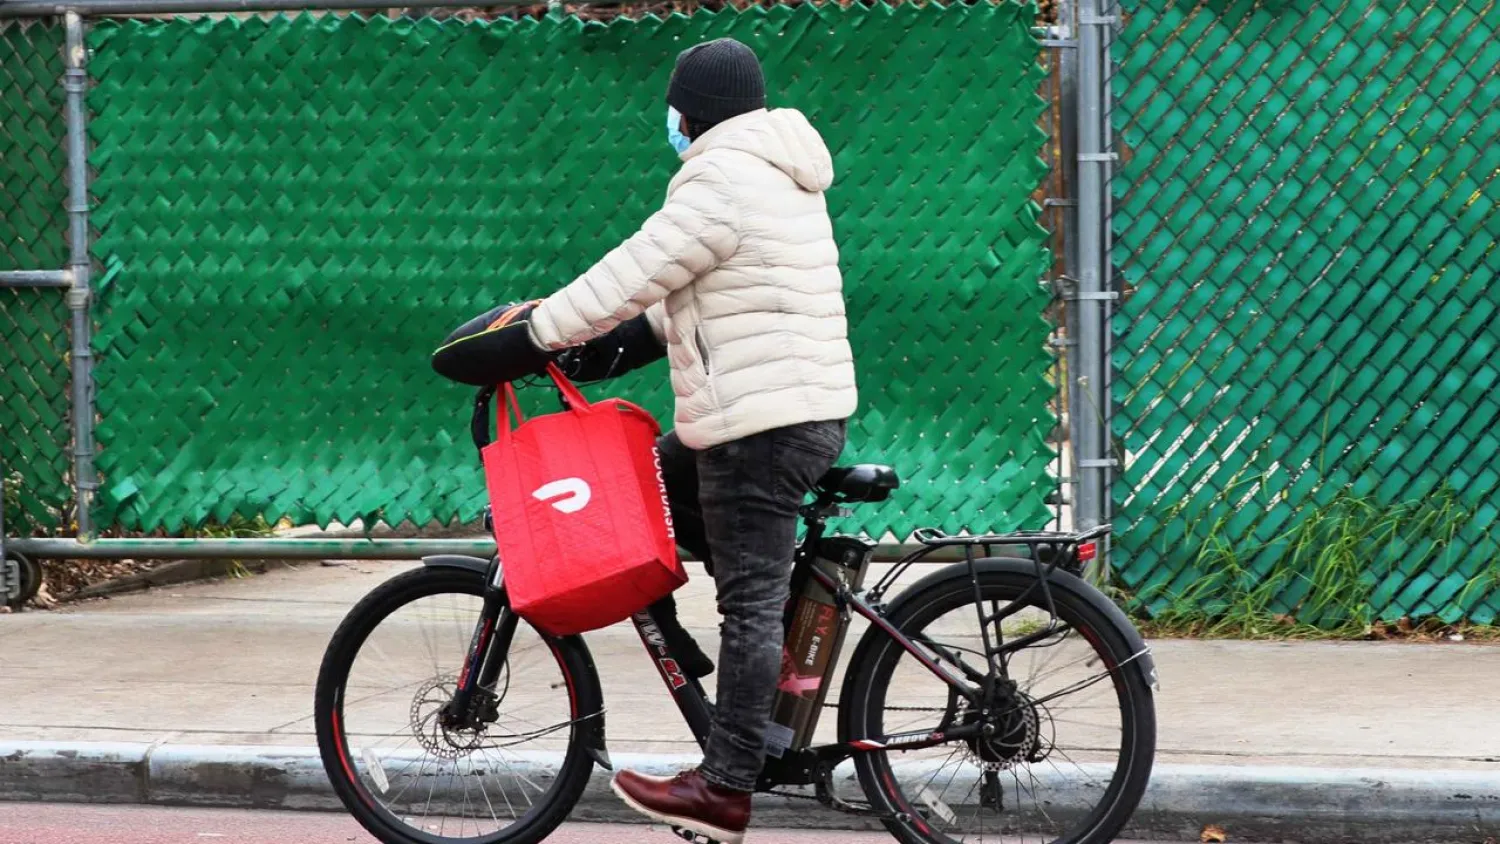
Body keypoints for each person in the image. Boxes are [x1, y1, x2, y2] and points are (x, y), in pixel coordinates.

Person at [431, 37, 856, 844]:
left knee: (750, 602)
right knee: (637, 501)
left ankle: (725, 786)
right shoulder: (774, 170)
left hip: (759, 429)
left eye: (675, 111)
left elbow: (632, 271)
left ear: (690, 112)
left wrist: (536, 334)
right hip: (782, 413)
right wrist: (612, 347)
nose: (672, 123)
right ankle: (712, 679)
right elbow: (695, 292)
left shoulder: (720, 178)